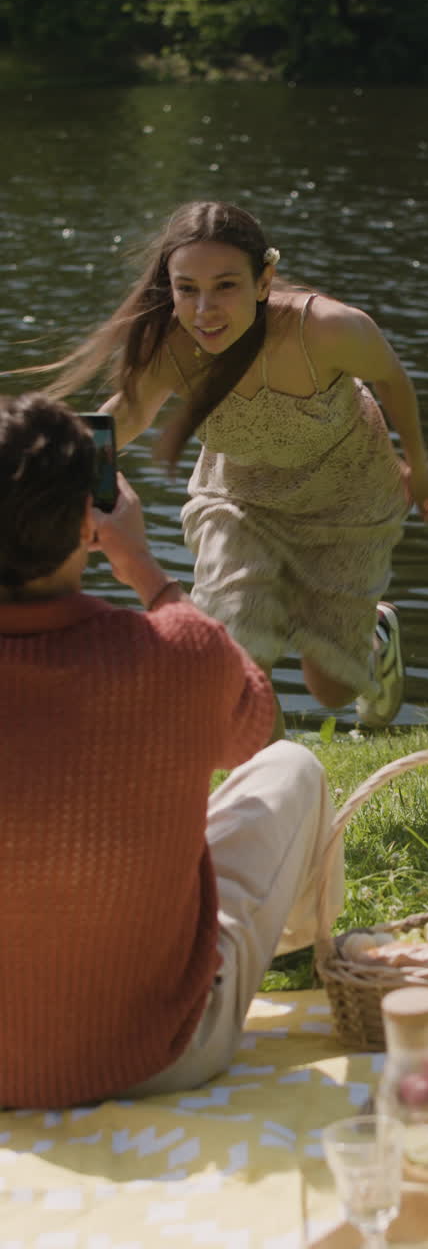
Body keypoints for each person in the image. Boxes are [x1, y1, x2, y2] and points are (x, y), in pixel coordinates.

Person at [0, 392, 344, 1110]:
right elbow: (255, 728)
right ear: (86, 521)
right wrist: (147, 573)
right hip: (156, 1054)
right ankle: (306, 948)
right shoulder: (178, 656)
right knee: (294, 770)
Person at [30, 199, 428, 737]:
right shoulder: (170, 350)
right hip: (239, 500)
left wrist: (419, 460)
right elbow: (124, 416)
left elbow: (391, 378)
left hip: (347, 500)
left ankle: (375, 637)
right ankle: (268, 793)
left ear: (263, 279)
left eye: (226, 286)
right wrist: (48, 476)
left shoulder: (327, 330)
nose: (205, 310)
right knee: (236, 651)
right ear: (169, 287)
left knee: (332, 689)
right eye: (187, 289)